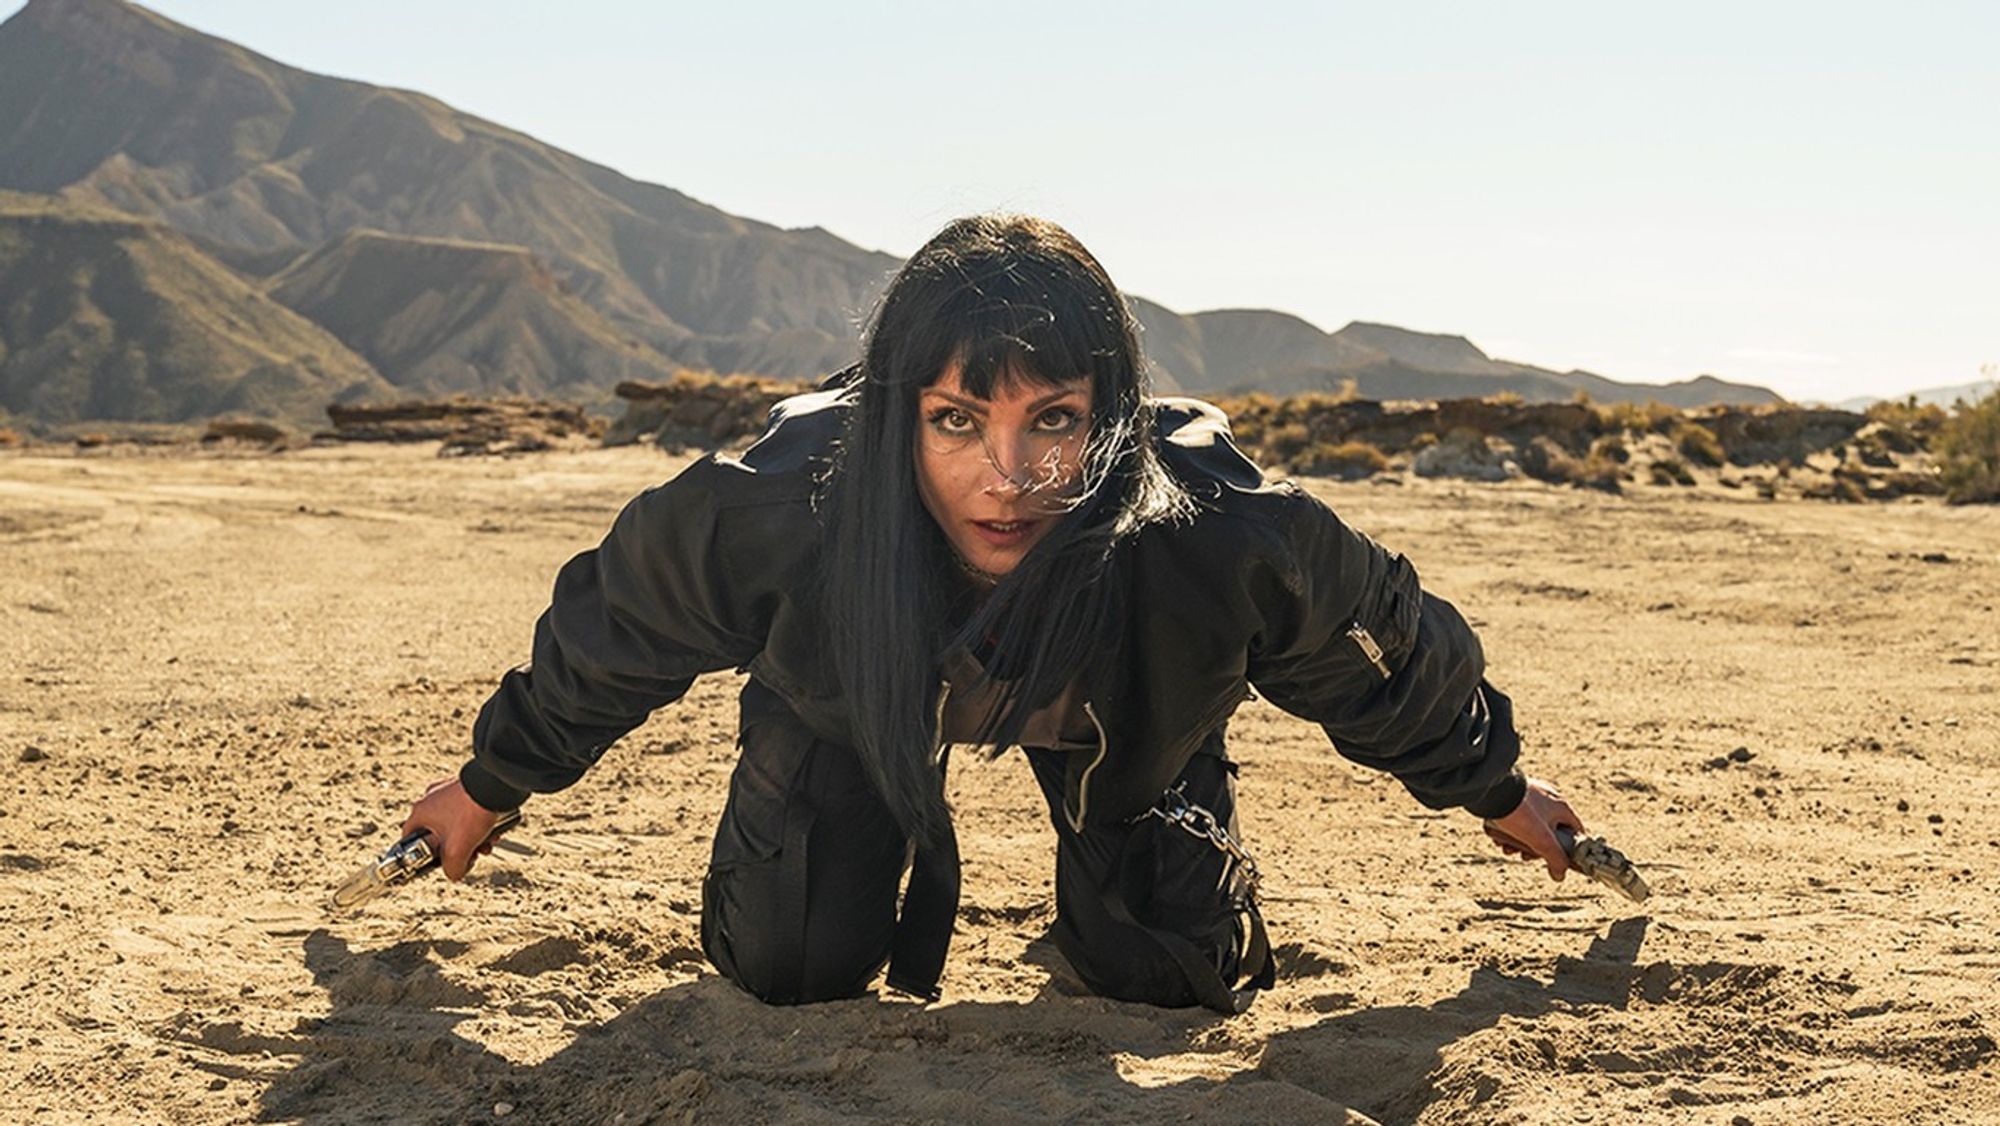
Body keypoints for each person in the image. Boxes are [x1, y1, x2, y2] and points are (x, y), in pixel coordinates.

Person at [401, 214, 1585, 1013]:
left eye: (1053, 422)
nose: (1007, 475)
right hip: (854, 706)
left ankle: (1150, 804)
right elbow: (612, 635)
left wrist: (1492, 784)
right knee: (788, 964)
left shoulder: (1221, 535)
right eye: (957, 421)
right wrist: (487, 783)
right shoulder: (778, 511)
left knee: (1168, 978)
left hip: (1118, 721)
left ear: (1106, 418)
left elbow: (1374, 653)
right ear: (896, 419)